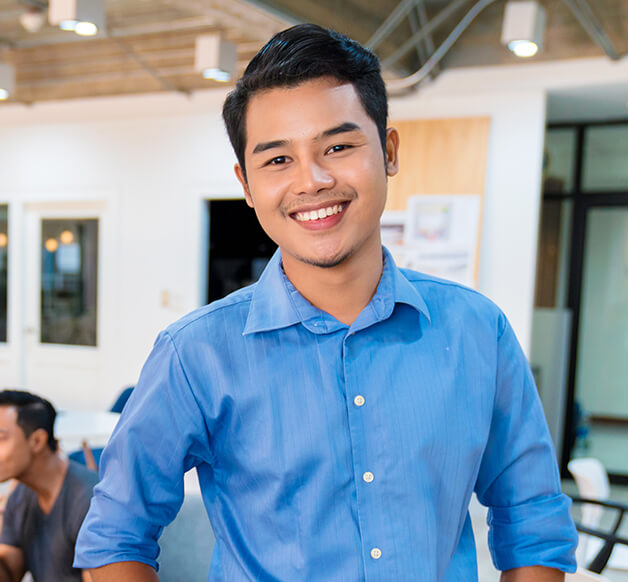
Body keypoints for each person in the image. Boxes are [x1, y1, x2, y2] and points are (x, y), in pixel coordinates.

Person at [75, 23, 578, 582]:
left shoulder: (477, 331)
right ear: (246, 184)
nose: (311, 181)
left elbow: (531, 518)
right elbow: (116, 534)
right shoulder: (194, 355)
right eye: (277, 160)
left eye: (337, 147)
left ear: (388, 151)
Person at [0, 390, 97, 582]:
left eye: (1, 438)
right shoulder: (20, 496)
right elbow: (9, 574)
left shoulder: (89, 500)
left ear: (37, 440)